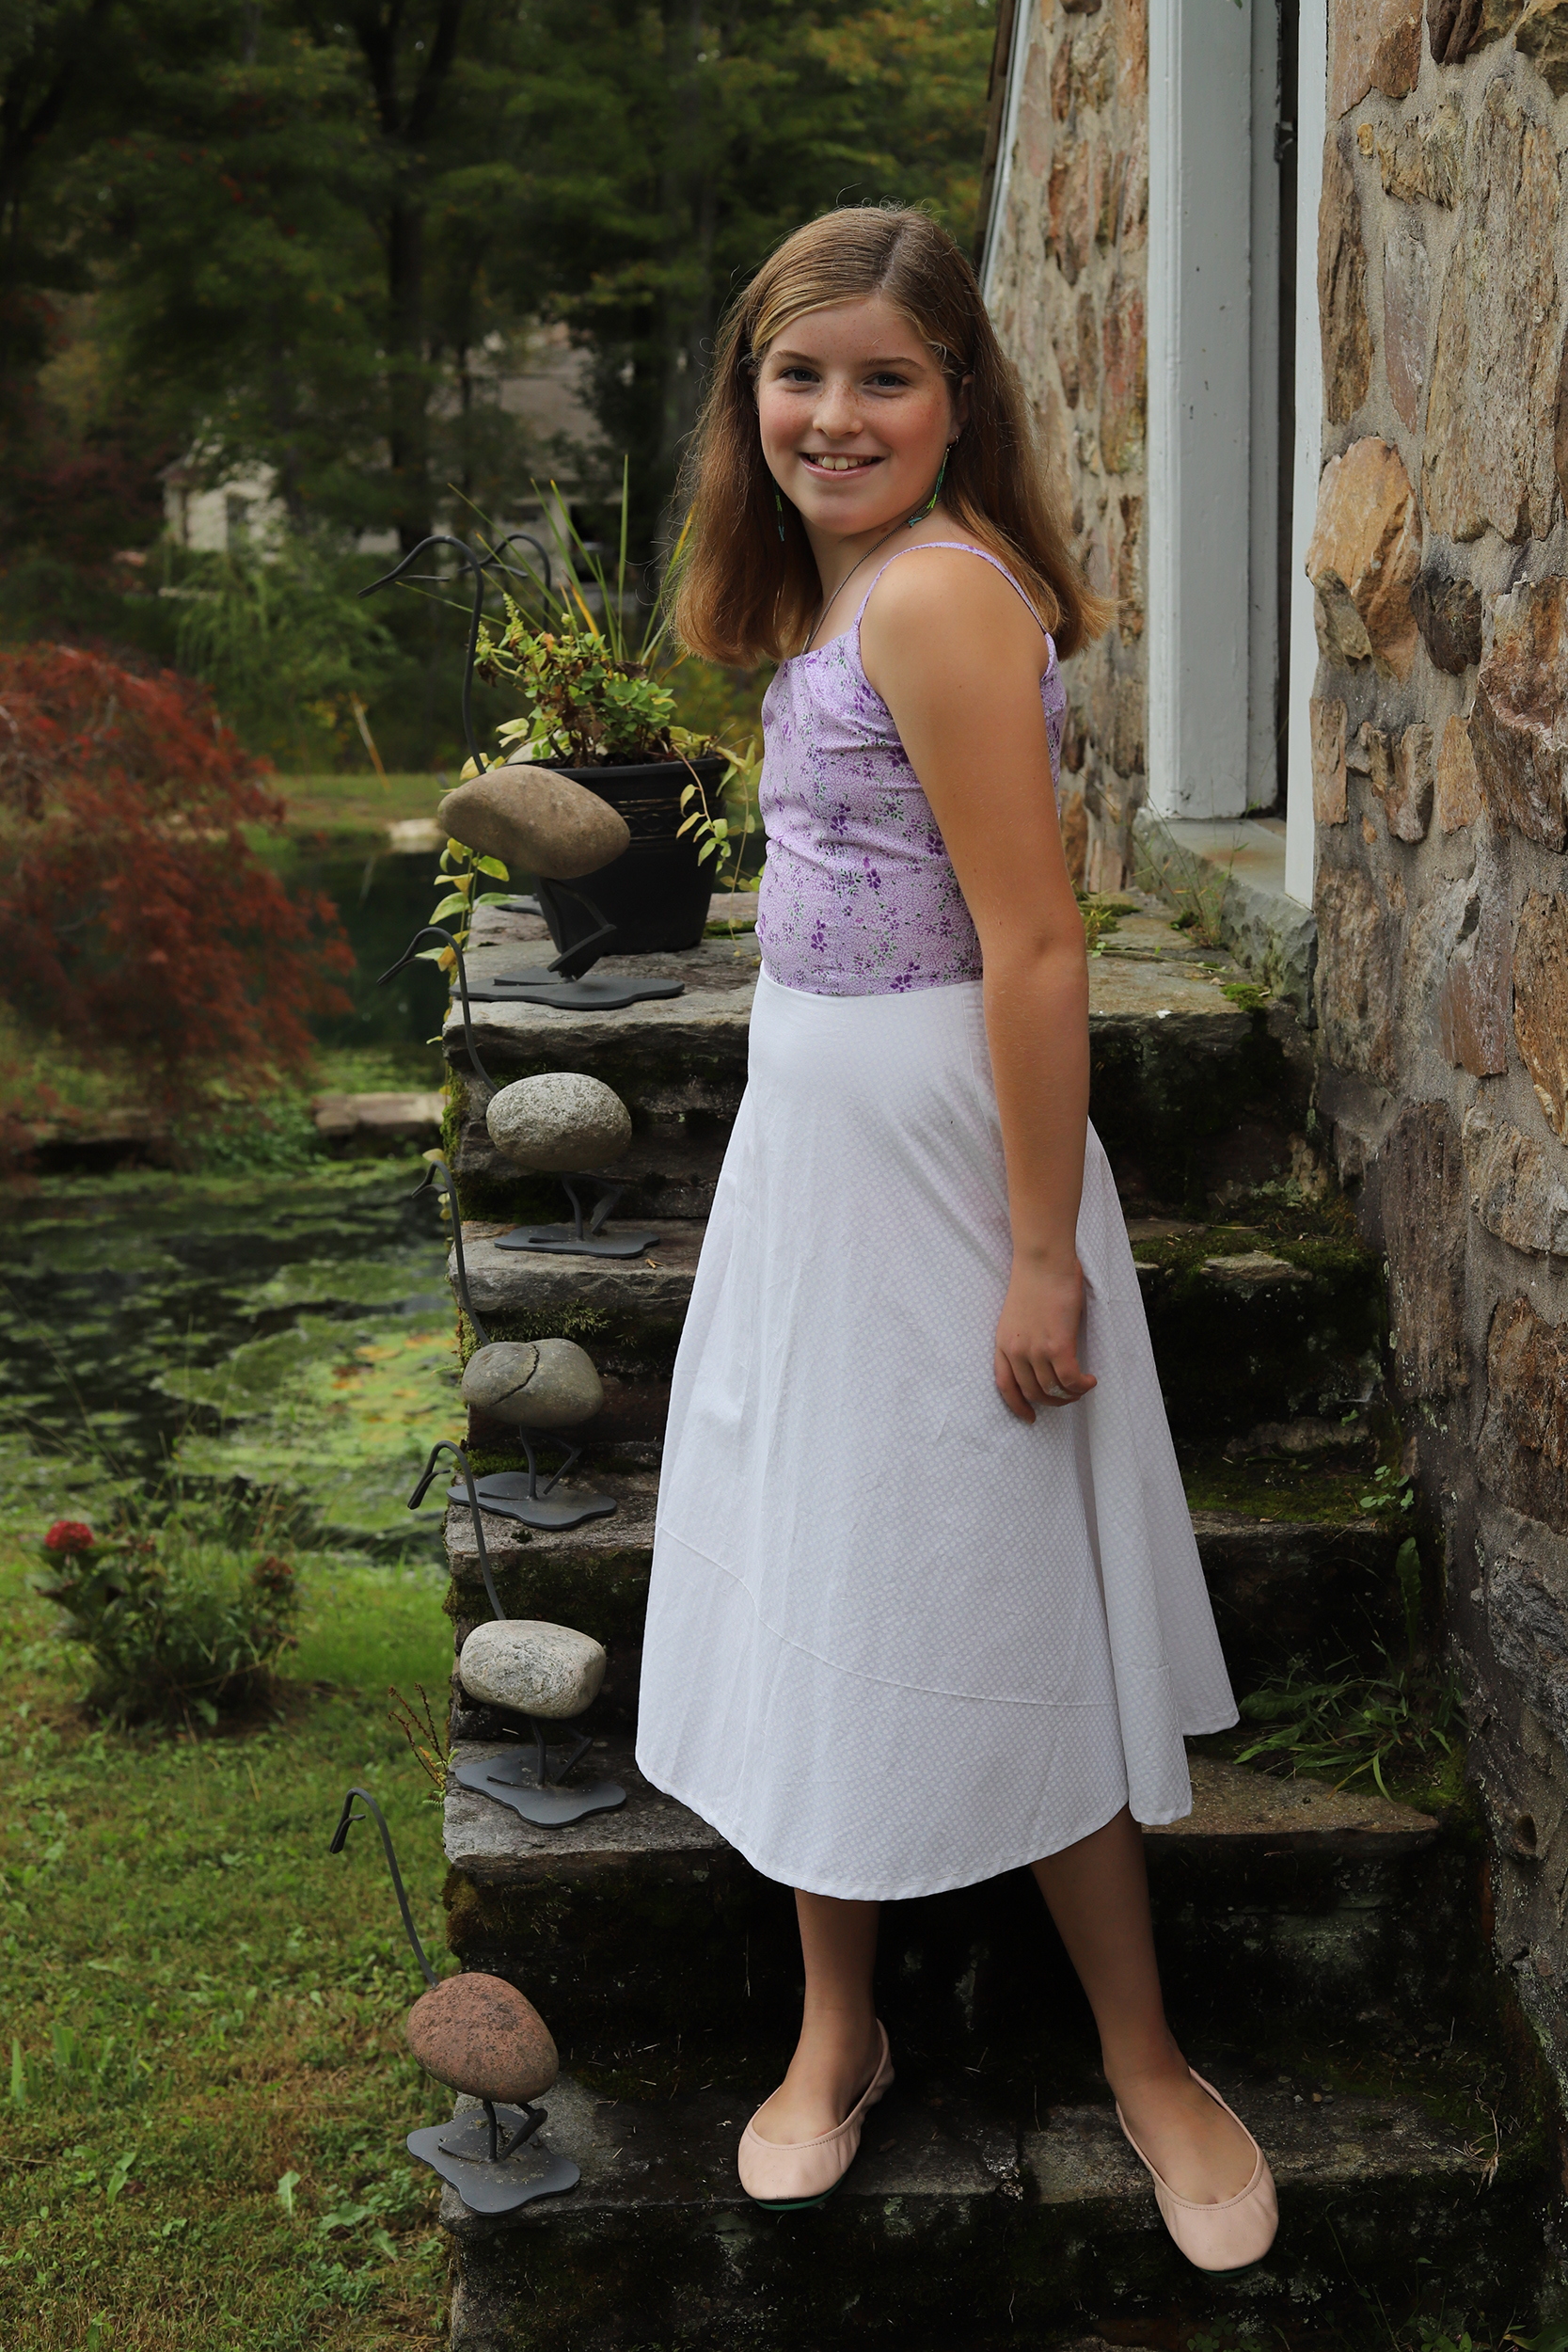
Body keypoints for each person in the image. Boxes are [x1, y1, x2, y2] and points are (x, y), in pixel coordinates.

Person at [635, 205, 1277, 2274]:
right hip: (820, 1165)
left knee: (1010, 1584)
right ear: (751, 400)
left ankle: (1149, 2054)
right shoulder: (835, 598)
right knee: (837, 1567)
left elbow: (1034, 939)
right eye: (799, 374)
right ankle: (840, 2031)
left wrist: (1035, 1250)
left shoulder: (934, 598)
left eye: (883, 377)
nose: (835, 413)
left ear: (960, 397)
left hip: (948, 1176)